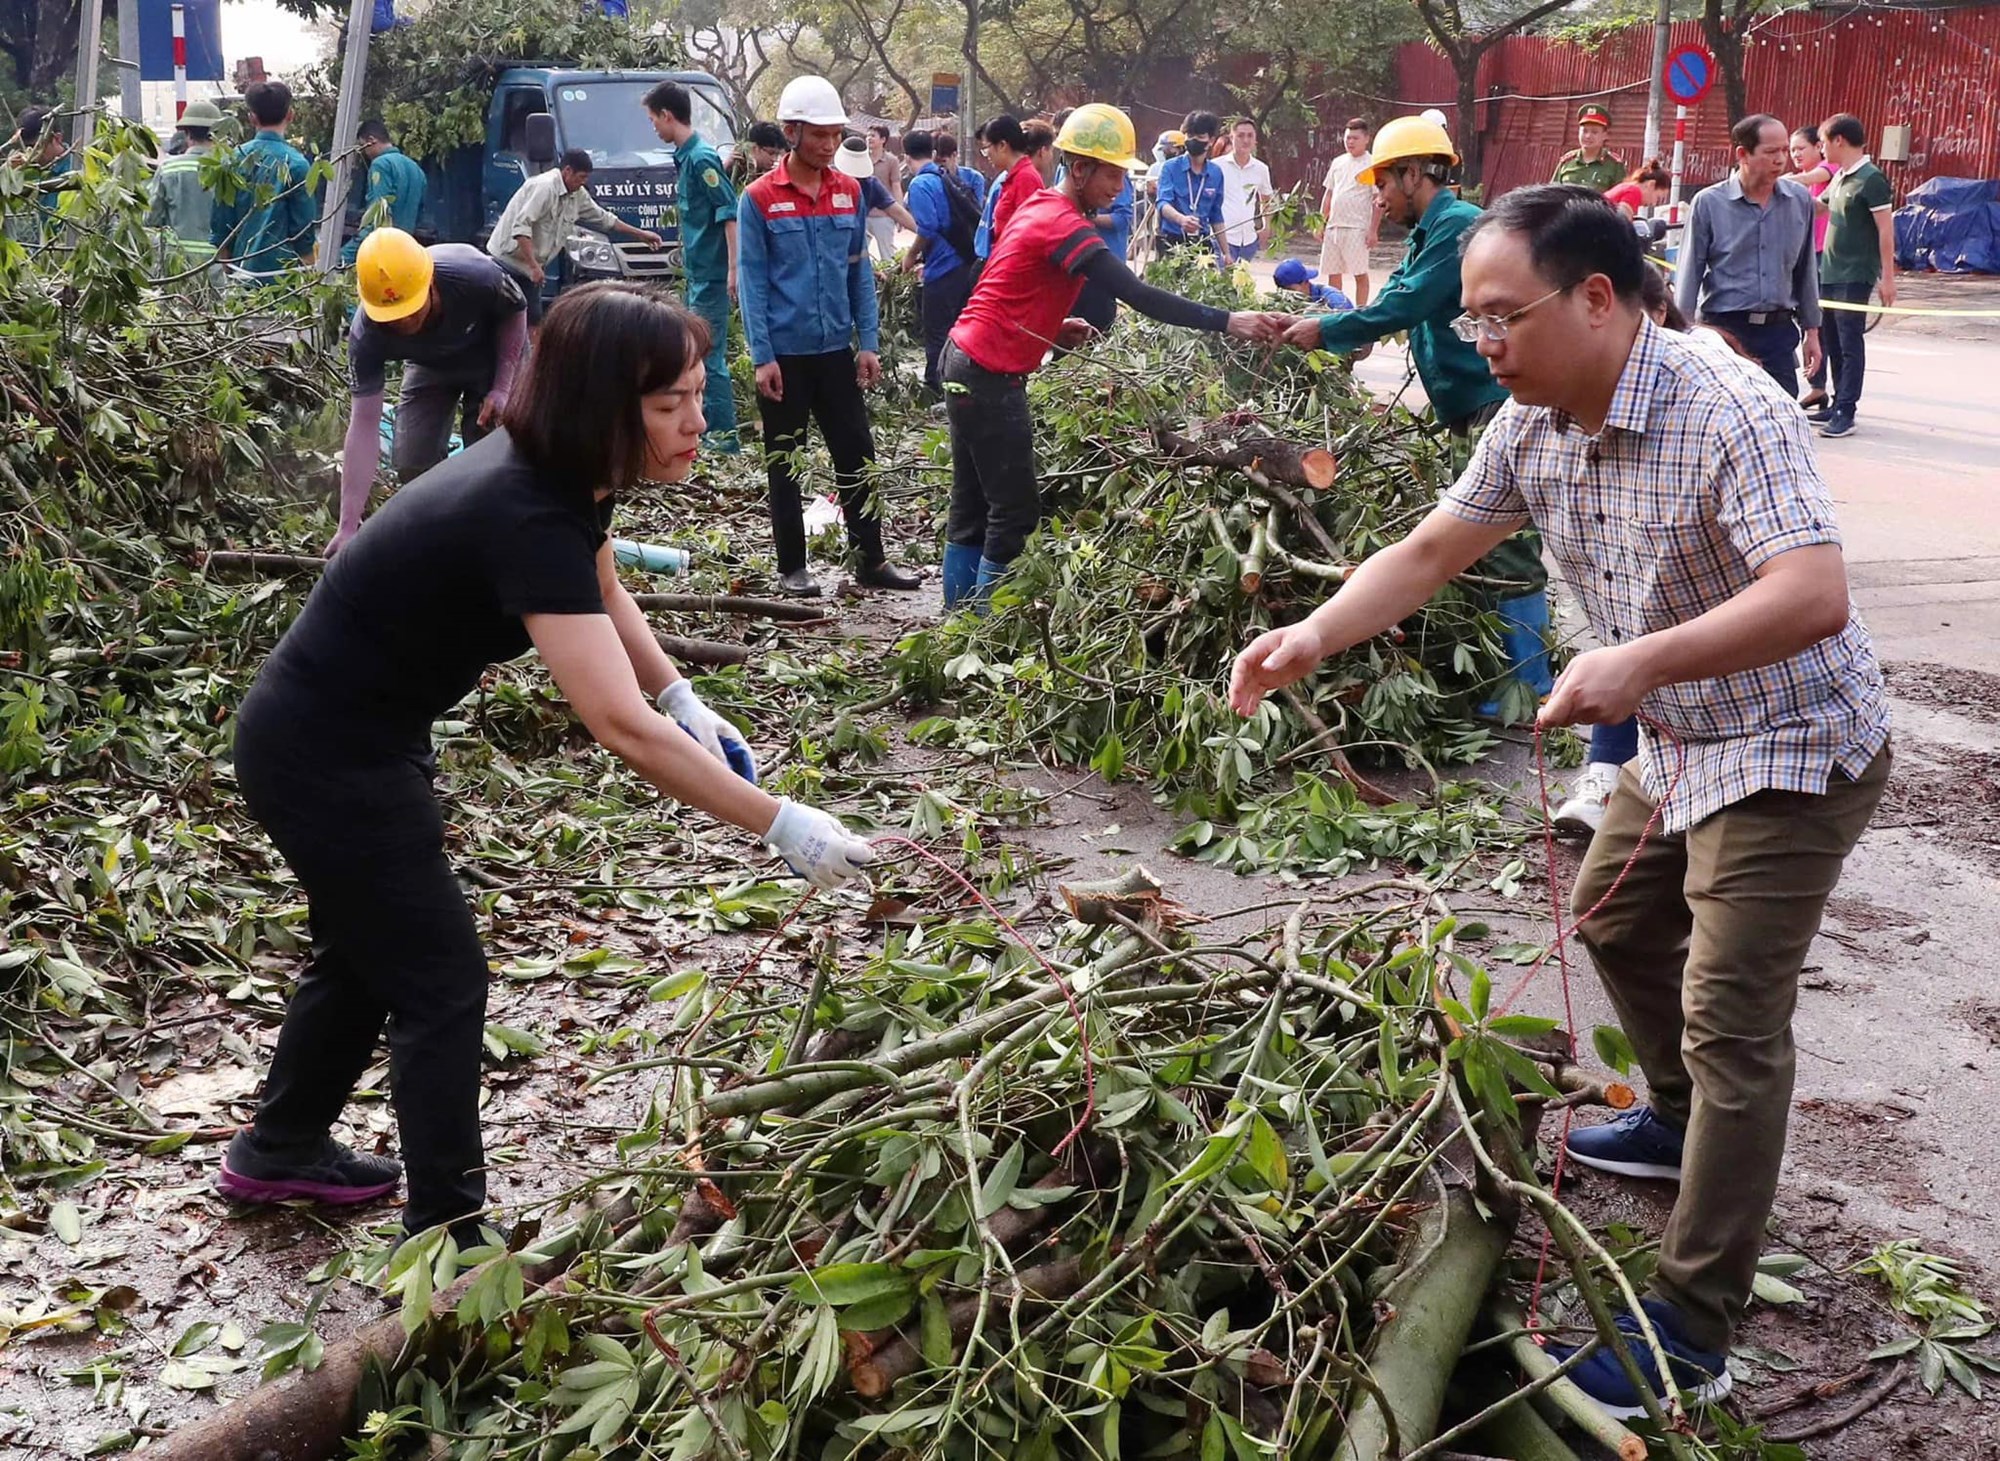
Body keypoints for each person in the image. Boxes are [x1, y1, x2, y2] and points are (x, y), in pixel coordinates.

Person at [1235, 185, 1890, 1419]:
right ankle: (1673, 1123)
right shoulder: (1531, 418)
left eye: (1500, 316)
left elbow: (1810, 593)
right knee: (1611, 918)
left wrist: (1633, 664)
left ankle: (1695, 1323)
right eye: (1472, 319)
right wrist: (1310, 635)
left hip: (1795, 742)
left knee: (1730, 1017)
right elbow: (1433, 549)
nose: (1482, 341)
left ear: (1597, 298)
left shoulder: (1723, 406)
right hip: (1684, 737)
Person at [218, 283, 875, 1245]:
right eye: (668, 406)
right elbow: (615, 724)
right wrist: (775, 819)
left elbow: (602, 577)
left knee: (371, 948)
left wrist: (681, 694)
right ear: (604, 405)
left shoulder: (565, 474)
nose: (696, 422)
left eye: (697, 394)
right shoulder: (523, 507)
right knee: (441, 980)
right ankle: (447, 1234)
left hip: (352, 734)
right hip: (325, 753)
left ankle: (278, 1148)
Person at [938, 104, 1287, 607]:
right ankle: (985, 633)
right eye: (1112, 174)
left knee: (972, 504)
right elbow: (1140, 295)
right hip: (989, 374)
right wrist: (1230, 321)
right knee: (1013, 512)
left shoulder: (1038, 207)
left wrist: (1050, 326)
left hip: (963, 358)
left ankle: (958, 623)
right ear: (1079, 169)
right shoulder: (1064, 224)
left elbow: (1002, 284)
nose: (1119, 188)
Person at [1279, 113, 1551, 715]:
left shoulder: (1458, 227)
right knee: (1470, 543)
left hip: (1491, 409)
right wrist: (1353, 330)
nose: (1378, 195)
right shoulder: (1430, 233)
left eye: (1383, 182)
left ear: (1412, 173)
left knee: (1505, 546)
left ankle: (1531, 686)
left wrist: (1324, 329)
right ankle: (1500, 675)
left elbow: (1410, 302)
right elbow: (1395, 293)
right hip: (1463, 410)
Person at [737, 76, 921, 598]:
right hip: (785, 359)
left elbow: (859, 272)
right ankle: (792, 568)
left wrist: (868, 341)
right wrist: (762, 356)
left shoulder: (849, 193)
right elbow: (751, 281)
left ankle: (871, 559)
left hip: (837, 353)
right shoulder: (760, 199)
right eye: (819, 134)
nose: (829, 144)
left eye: (836, 134)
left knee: (856, 456)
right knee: (785, 462)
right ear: (791, 132)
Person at [331, 230, 530, 553]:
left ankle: (503, 536)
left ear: (429, 283)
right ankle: (441, 538)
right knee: (412, 461)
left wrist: (503, 388)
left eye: (412, 309)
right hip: (430, 366)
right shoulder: (366, 336)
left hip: (492, 353)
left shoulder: (473, 274)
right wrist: (348, 526)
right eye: (394, 317)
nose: (406, 320)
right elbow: (364, 425)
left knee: (494, 452)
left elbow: (515, 309)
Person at [1673, 114, 1822, 400]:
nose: (1781, 160)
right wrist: (1682, 338)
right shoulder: (1709, 204)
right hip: (1723, 332)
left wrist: (1811, 331)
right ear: (1743, 154)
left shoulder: (1799, 201)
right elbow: (1689, 275)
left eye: (1784, 150)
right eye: (1770, 152)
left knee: (1781, 421)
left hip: (1778, 334)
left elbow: (1805, 270)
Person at [645, 80, 739, 453]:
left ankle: (723, 437)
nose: (654, 127)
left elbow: (729, 212)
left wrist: (733, 270)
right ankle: (710, 428)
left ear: (668, 116)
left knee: (707, 354)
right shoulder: (690, 156)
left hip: (713, 275)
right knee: (697, 349)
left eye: (654, 120)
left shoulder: (700, 158)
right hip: (698, 273)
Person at [487, 149, 663, 325]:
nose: (584, 182)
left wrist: (641, 235)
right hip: (508, 262)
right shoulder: (544, 187)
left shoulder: (577, 194)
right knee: (505, 317)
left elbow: (604, 219)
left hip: (530, 269)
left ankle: (529, 352)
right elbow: (521, 228)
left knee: (532, 319)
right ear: (567, 171)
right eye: (581, 177)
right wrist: (534, 267)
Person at [1813, 112, 1896, 440]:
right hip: (1830, 271)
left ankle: (1848, 409)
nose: (1821, 150)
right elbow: (1819, 207)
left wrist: (1888, 277)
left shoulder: (1871, 178)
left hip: (1855, 273)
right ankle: (1836, 402)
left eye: (1823, 143)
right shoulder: (1841, 176)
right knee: (1831, 339)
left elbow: (1885, 229)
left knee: (1849, 341)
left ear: (1839, 141)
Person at [211, 81, 316, 279]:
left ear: (252, 118)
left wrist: (230, 270)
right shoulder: (297, 165)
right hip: (284, 279)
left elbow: (221, 224)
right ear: (290, 115)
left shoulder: (231, 160)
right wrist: (310, 276)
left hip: (241, 275)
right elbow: (303, 231)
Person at [902, 130, 981, 395]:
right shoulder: (945, 177)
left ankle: (936, 387)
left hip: (943, 268)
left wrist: (911, 255)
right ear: (933, 154)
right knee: (960, 328)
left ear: (905, 156)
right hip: (965, 263)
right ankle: (962, 382)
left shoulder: (919, 184)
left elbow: (929, 228)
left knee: (936, 331)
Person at [1788, 124, 1833, 408]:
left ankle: (1823, 387)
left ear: (1819, 147)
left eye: (1800, 148)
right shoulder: (1807, 182)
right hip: (1806, 253)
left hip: (1825, 257)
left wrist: (1778, 179)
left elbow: (1811, 177)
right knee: (1808, 323)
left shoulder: (1830, 169)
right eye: (1791, 150)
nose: (1795, 155)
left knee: (1818, 325)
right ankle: (1816, 385)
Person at [339, 119, 426, 266]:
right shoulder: (416, 170)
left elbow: (377, 217)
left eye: (362, 147)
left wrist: (342, 258)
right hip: (403, 252)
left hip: (381, 251)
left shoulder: (381, 164)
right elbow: (419, 214)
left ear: (371, 141)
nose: (364, 153)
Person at [147, 97, 225, 257]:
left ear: (187, 134)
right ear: (217, 133)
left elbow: (151, 218)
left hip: (177, 263)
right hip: (219, 262)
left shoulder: (168, 169)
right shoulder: (229, 167)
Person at [1319, 117, 1378, 306]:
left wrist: (1373, 230)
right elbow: (1329, 194)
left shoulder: (1373, 164)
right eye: (1347, 138)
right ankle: (1337, 310)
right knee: (1333, 273)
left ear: (1366, 138)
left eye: (1355, 138)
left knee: (1359, 273)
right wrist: (1320, 223)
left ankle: (1360, 311)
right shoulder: (1338, 162)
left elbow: (1378, 200)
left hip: (1357, 227)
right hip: (1334, 225)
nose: (1350, 142)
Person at [973, 115, 1045, 261]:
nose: (986, 156)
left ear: (1002, 146)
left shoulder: (1025, 178)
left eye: (986, 148)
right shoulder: (1012, 176)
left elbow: (1028, 236)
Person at [1155, 110, 1226, 257]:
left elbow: (1216, 215)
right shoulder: (1170, 167)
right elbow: (1162, 203)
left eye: (1200, 137)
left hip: (1202, 243)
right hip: (1172, 242)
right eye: (1189, 136)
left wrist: (1226, 253)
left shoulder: (1216, 173)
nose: (1193, 140)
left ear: (1211, 140)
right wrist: (1181, 219)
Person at [833, 136, 919, 237]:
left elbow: (896, 212)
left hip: (855, 240)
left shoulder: (870, 185)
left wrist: (925, 235)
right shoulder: (824, 179)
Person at [1216, 118, 1274, 264]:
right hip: (1222, 236)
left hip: (1248, 239)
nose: (1245, 140)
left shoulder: (1261, 169)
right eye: (1240, 136)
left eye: (1250, 136)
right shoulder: (1217, 167)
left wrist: (1266, 226)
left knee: (1241, 283)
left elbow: (1266, 199)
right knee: (1223, 282)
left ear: (1255, 140)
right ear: (1232, 137)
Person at [1551, 103, 1625, 193]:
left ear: (1605, 135)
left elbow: (1621, 198)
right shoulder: (1567, 162)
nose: (1588, 136)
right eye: (1584, 131)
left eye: (1594, 132)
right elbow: (1552, 195)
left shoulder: (1614, 165)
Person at [865, 123, 904, 262]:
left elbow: (896, 186)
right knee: (859, 255)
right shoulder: (861, 159)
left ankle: (890, 283)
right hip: (863, 215)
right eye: (868, 135)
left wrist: (899, 213)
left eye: (873, 136)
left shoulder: (892, 161)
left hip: (884, 215)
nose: (869, 138)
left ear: (883, 139)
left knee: (887, 255)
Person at [1272, 257, 1352, 312]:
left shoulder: (1334, 300)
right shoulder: (1282, 303)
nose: (1288, 295)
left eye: (1291, 290)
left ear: (1306, 282)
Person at [727, 120, 788, 191]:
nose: (774, 159)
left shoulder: (771, 174)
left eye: (777, 155)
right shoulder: (735, 166)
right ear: (755, 148)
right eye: (771, 153)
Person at [1603, 158, 1669, 220]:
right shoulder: (1634, 192)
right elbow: (1622, 222)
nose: (1654, 204)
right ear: (1651, 185)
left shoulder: (1627, 187)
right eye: (1658, 198)